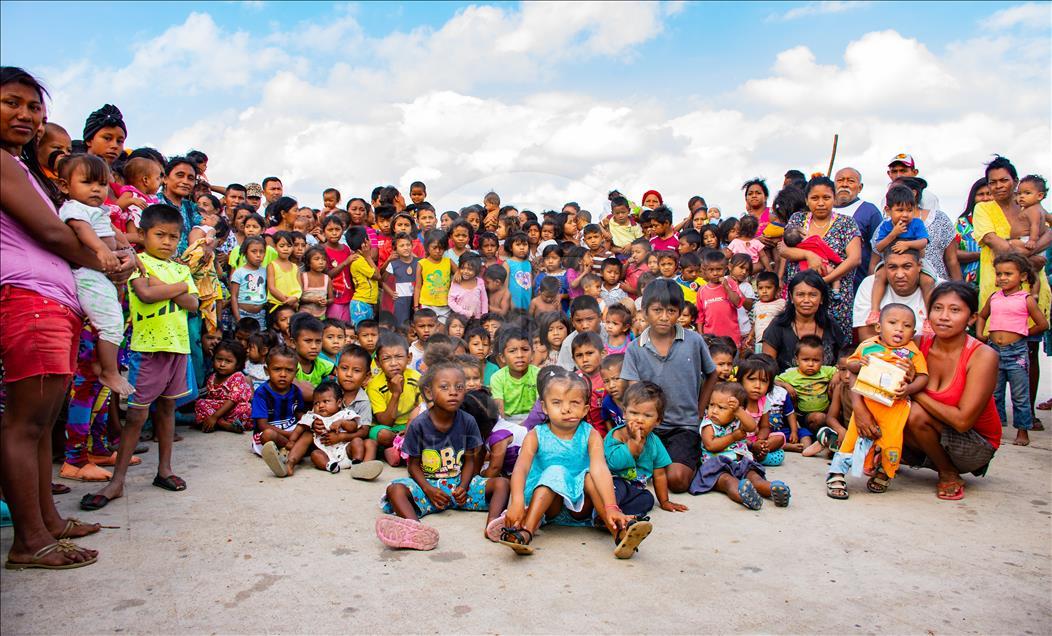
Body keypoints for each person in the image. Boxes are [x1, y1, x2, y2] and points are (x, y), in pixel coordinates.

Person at [0, 67, 135, 569]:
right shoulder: (2, 163)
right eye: (12, 102)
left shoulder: (18, 166)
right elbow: (55, 237)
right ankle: (30, 540)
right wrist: (104, 262)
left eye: (34, 107)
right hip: (28, 299)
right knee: (25, 424)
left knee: (40, 423)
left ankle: (48, 522)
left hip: (50, 300)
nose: (25, 115)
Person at [81, 204, 200, 511]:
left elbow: (193, 303)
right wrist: (177, 288)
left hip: (178, 347)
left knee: (168, 408)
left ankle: (164, 470)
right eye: (160, 235)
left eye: (174, 237)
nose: (167, 242)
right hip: (147, 348)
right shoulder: (136, 262)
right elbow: (146, 295)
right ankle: (117, 482)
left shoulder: (182, 268)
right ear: (144, 234)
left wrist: (170, 288)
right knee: (136, 414)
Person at [498, 367, 649, 558]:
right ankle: (526, 531)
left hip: (579, 507)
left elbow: (600, 468)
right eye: (557, 402)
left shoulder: (590, 434)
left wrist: (612, 506)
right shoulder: (536, 434)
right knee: (555, 471)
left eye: (575, 403)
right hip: (547, 507)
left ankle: (619, 533)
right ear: (544, 407)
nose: (566, 409)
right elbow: (521, 469)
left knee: (589, 476)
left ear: (585, 409)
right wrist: (517, 501)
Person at [376, 361, 510, 550]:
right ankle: (415, 529)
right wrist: (428, 490)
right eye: (445, 387)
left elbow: (472, 459)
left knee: (502, 483)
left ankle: (493, 525)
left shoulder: (468, 421)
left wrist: (463, 486)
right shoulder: (419, 425)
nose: (453, 392)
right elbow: (412, 465)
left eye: (459, 387)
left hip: (458, 486)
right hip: (428, 488)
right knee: (395, 489)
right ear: (429, 393)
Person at [891, 283, 1001, 501]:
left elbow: (962, 421)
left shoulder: (982, 355)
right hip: (931, 433)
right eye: (938, 308)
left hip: (974, 444)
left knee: (914, 412)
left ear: (971, 318)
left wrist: (913, 389)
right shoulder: (916, 343)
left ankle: (948, 472)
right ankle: (890, 454)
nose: (944, 316)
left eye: (955, 310)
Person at [621, 280, 718, 493]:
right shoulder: (635, 348)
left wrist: (700, 411)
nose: (664, 317)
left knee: (677, 481)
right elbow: (634, 394)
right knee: (622, 468)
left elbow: (712, 374)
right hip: (648, 428)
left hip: (683, 426)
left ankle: (694, 462)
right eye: (657, 310)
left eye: (671, 311)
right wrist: (639, 428)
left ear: (680, 312)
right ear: (644, 312)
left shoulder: (694, 341)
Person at [825, 303, 928, 499]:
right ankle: (837, 473)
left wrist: (909, 389)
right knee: (851, 440)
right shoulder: (868, 346)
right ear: (879, 327)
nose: (899, 329)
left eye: (906, 326)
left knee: (892, 443)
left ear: (913, 332)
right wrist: (858, 363)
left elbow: (923, 377)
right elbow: (851, 365)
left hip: (894, 409)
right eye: (893, 323)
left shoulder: (913, 353)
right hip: (867, 403)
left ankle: (884, 472)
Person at [55, 153, 135, 396]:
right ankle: (109, 371)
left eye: (101, 184)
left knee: (113, 323)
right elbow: (82, 230)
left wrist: (132, 254)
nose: (96, 189)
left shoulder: (96, 209)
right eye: (87, 183)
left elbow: (115, 234)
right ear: (65, 186)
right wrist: (101, 249)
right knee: (110, 324)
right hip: (89, 273)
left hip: (101, 274)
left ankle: (103, 365)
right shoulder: (73, 208)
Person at [777, 176, 862, 339]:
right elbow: (784, 249)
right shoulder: (798, 219)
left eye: (826, 197)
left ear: (834, 198)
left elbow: (854, 259)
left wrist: (825, 281)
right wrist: (809, 255)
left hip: (836, 297)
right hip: (801, 295)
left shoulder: (847, 223)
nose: (821, 203)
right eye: (815, 198)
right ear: (807, 200)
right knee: (798, 344)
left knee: (833, 344)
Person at [976, 254, 1047, 446]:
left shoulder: (1026, 299)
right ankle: (996, 428)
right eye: (999, 274)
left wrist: (1023, 333)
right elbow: (982, 316)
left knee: (1020, 395)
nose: (1002, 278)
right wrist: (981, 334)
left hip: (1016, 353)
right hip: (994, 351)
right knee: (994, 393)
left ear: (1023, 276)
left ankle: (1022, 431)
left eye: (1008, 273)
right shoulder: (994, 298)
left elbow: (1043, 324)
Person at [688, 382, 791, 510]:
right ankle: (745, 496)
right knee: (728, 482)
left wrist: (738, 412)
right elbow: (710, 445)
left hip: (741, 462)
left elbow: (752, 427)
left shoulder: (738, 421)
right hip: (717, 467)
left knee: (755, 478)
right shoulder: (708, 424)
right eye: (711, 405)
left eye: (721, 407)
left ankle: (773, 489)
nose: (714, 411)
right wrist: (733, 437)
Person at [604, 380, 689, 519]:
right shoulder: (616, 436)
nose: (639, 420)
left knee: (648, 499)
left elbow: (659, 474)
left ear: (658, 421)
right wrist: (633, 443)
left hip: (634, 489)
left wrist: (664, 501)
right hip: (612, 484)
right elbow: (614, 464)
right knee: (616, 489)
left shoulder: (654, 443)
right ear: (624, 413)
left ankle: (625, 517)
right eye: (634, 413)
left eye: (647, 415)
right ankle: (606, 515)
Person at [865, 183, 936, 325]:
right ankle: (874, 311)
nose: (905, 215)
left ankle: (929, 316)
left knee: (928, 281)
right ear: (888, 210)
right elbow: (879, 247)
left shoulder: (916, 224)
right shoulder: (886, 226)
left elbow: (923, 242)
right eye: (900, 210)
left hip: (916, 262)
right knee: (879, 276)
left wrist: (908, 244)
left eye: (909, 210)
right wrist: (893, 235)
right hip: (890, 263)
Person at [762, 270, 843, 373]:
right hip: (785, 387)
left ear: (821, 298)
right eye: (800, 295)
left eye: (813, 295)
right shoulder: (778, 325)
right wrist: (783, 385)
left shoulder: (831, 325)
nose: (806, 300)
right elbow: (766, 367)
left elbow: (844, 361)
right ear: (791, 297)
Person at [366, 332, 423, 465]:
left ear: (409, 358)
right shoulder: (375, 385)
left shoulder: (416, 378)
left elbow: (423, 410)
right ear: (378, 363)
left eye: (399, 357)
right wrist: (396, 394)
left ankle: (397, 451)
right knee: (381, 434)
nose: (393, 363)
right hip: (389, 430)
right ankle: (403, 448)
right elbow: (385, 422)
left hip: (410, 425)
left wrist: (410, 428)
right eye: (386, 358)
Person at [853, 249, 933, 342]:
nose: (900, 275)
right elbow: (866, 337)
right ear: (885, 267)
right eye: (893, 267)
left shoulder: (938, 288)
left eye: (907, 267)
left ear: (919, 266)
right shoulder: (870, 284)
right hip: (880, 355)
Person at [833, 167, 883, 290]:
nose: (844, 185)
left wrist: (872, 280)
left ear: (860, 187)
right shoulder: (822, 209)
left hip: (857, 283)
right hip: (820, 280)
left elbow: (877, 248)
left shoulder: (869, 211)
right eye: (840, 180)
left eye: (850, 181)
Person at [775, 335, 835, 434]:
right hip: (803, 415)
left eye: (816, 360)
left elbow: (840, 371)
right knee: (819, 418)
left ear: (823, 360)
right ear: (797, 359)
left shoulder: (825, 371)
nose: (810, 364)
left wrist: (835, 377)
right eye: (805, 360)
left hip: (827, 411)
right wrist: (786, 385)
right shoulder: (791, 374)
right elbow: (774, 380)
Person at [194, 340, 253, 434]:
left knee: (246, 408)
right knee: (200, 403)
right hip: (219, 411)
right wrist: (213, 414)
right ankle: (224, 424)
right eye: (219, 359)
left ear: (237, 364)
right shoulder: (212, 378)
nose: (222, 364)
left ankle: (218, 422)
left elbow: (233, 400)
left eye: (228, 361)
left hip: (233, 409)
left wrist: (214, 417)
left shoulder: (238, 376)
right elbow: (211, 400)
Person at [955, 178, 992, 287]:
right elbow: (953, 254)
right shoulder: (962, 224)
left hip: (999, 283)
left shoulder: (1004, 221)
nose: (985, 198)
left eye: (989, 194)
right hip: (970, 285)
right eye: (981, 194)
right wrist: (983, 255)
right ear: (973, 198)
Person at [265, 231, 301, 312]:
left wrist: (295, 299)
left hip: (293, 305)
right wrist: (287, 301)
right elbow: (271, 288)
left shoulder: (295, 267)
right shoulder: (272, 265)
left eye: (289, 246)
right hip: (276, 305)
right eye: (282, 246)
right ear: (275, 247)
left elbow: (300, 287)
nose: (285, 249)